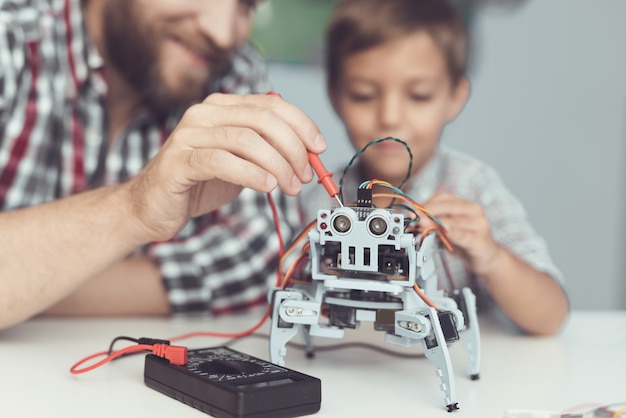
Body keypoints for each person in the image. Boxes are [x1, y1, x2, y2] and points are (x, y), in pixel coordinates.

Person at [0, 0, 328, 330]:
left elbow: (263, 257)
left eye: (248, 6)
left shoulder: (234, 71)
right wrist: (132, 208)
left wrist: (26, 280)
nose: (223, 33)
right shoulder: (9, 40)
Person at [301, 0, 569, 335]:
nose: (390, 117)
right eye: (363, 94)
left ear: (455, 97)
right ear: (335, 96)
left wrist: (492, 258)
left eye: (419, 95)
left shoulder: (473, 188)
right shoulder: (316, 206)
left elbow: (551, 317)